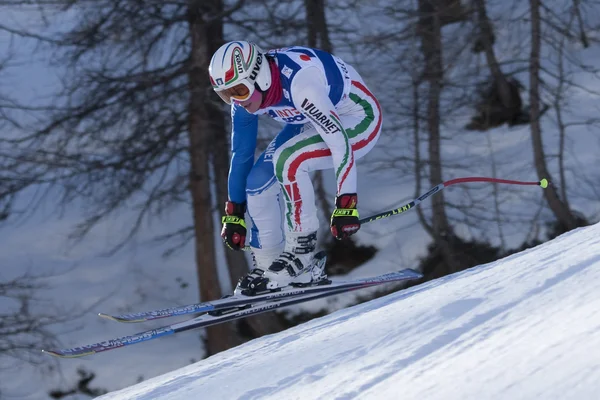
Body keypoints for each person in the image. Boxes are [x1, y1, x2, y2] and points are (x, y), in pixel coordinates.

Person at [208, 41, 382, 294]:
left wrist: (346, 204)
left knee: (288, 159)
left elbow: (338, 141)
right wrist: (234, 212)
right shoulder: (246, 95)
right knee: (256, 183)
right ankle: (268, 264)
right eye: (226, 95)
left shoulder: (301, 84)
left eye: (239, 90)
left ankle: (301, 256)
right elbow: (241, 155)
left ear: (260, 77)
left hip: (356, 119)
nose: (236, 100)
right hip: (312, 118)